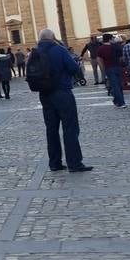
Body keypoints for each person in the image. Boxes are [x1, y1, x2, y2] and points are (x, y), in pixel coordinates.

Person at [28, 28, 91, 172]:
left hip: (44, 94)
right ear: (53, 38)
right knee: (70, 128)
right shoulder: (59, 50)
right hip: (62, 92)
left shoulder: (35, 52)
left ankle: (55, 163)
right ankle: (74, 163)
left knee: (51, 129)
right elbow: (74, 68)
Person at [97, 33, 126, 108]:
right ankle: (119, 102)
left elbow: (99, 60)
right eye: (112, 38)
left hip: (109, 68)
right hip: (118, 67)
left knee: (115, 86)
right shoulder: (116, 46)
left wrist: (103, 69)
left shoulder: (101, 48)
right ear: (110, 39)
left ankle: (120, 102)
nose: (113, 40)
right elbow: (121, 58)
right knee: (119, 85)